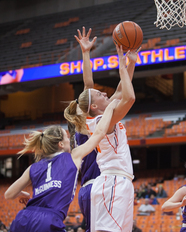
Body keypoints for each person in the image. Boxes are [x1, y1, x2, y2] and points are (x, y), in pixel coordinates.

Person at [64, 27, 139, 232]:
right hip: (100, 182)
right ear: (92, 108)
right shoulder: (96, 121)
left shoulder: (104, 115)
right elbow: (123, 95)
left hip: (113, 181)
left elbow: (121, 90)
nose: (104, 93)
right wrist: (122, 64)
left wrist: (130, 63)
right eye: (99, 94)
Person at [4, 99, 117, 232]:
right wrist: (110, 108)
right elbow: (99, 133)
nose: (70, 140)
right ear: (61, 144)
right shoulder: (73, 156)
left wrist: (21, 193)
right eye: (67, 137)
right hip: (48, 220)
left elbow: (8, 194)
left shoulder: (33, 167)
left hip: (22, 219)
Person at [66, 27, 100, 232]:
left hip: (96, 186)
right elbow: (88, 86)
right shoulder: (84, 127)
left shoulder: (95, 124)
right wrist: (86, 53)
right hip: (94, 185)